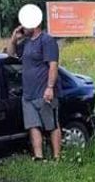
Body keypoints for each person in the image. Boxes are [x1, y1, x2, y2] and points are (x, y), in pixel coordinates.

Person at [7, 12, 61, 161]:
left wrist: (50, 87)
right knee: (33, 126)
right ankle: (39, 157)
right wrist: (13, 39)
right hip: (28, 94)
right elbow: (10, 55)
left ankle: (57, 157)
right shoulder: (26, 42)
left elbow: (53, 65)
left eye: (25, 23)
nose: (22, 26)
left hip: (44, 92)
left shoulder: (47, 40)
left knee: (52, 125)